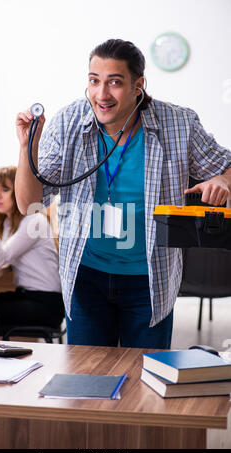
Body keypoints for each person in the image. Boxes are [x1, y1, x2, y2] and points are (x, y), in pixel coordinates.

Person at [14, 39, 231, 349]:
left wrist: (223, 181)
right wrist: (27, 147)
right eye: (94, 81)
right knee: (85, 381)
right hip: (86, 275)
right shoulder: (68, 122)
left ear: (137, 85)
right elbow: (27, 204)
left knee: (146, 383)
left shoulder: (179, 124)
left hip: (150, 278)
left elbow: (227, 166)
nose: (102, 94)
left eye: (114, 82)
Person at [0, 166, 64, 336]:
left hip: (46, 304)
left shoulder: (33, 221)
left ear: (18, 191)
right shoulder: (9, 223)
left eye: (5, 190)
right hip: (26, 296)